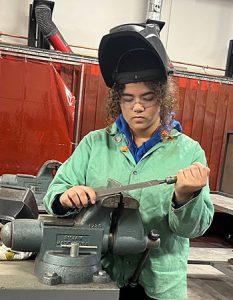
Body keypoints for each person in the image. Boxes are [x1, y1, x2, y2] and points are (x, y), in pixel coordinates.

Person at [43, 23, 214, 300]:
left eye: (147, 98)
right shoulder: (94, 144)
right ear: (117, 101)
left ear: (162, 99)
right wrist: (66, 197)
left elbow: (193, 229)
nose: (137, 107)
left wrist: (184, 198)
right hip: (98, 277)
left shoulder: (188, 152)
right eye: (128, 98)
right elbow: (56, 191)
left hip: (159, 286)